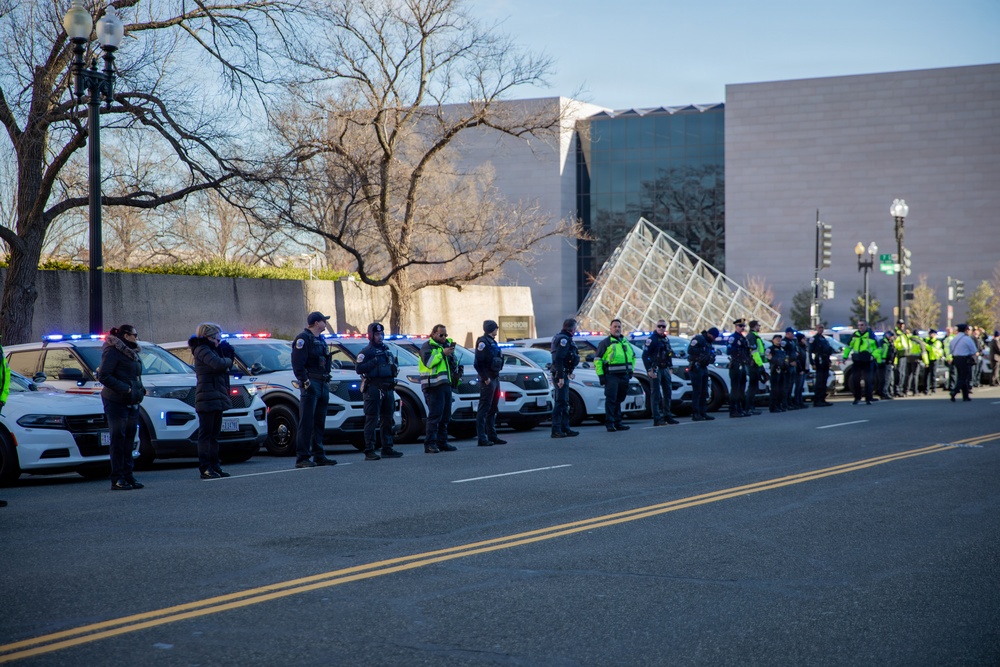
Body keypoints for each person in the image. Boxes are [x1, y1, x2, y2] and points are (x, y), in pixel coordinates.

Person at [97, 325, 145, 490]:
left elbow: (134, 375)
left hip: (132, 401)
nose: (137, 338)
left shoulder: (132, 353)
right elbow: (103, 375)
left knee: (129, 439)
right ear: (126, 335)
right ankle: (117, 478)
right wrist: (126, 388)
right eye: (135, 335)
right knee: (118, 439)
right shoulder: (113, 351)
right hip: (116, 401)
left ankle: (128, 475)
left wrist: (139, 389)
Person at [189, 323, 237, 479]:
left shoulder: (211, 350)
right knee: (206, 435)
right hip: (207, 397)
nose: (219, 340)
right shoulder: (202, 349)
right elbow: (217, 364)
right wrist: (228, 359)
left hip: (216, 396)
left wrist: (225, 356)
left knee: (215, 435)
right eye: (217, 337)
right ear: (209, 336)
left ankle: (215, 465)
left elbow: (221, 366)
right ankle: (205, 467)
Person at [291, 312, 338, 468]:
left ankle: (319, 455)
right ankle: (303, 457)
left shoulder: (320, 339)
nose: (326, 324)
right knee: (307, 422)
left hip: (323, 382)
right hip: (311, 383)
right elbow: (298, 364)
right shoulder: (303, 339)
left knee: (319, 422)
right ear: (317, 323)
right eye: (324, 321)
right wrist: (305, 382)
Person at [355, 322, 404, 460]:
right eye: (377, 334)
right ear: (371, 335)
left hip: (387, 388)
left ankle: (387, 447)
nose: (380, 336)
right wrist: (373, 362)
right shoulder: (366, 352)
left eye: (381, 334)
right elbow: (359, 368)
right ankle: (369, 450)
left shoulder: (386, 350)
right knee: (371, 419)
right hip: (373, 389)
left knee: (387, 419)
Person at [418, 324, 459, 453]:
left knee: (445, 416)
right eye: (441, 335)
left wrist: (454, 362)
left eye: (445, 335)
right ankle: (430, 444)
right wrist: (443, 353)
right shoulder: (427, 346)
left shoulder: (446, 346)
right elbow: (429, 363)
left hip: (446, 385)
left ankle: (442, 442)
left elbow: (451, 364)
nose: (443, 337)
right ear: (434, 334)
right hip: (433, 386)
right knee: (435, 416)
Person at [595, 319, 636, 431]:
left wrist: (630, 371)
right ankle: (610, 423)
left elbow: (633, 357)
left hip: (624, 376)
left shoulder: (625, 342)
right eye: (615, 326)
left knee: (619, 400)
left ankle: (618, 422)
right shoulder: (605, 343)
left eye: (619, 326)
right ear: (610, 328)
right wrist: (601, 376)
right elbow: (598, 360)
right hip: (611, 376)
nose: (617, 328)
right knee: (611, 400)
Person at [473, 319, 507, 446]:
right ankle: (482, 438)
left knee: (493, 408)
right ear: (491, 328)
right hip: (488, 379)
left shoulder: (492, 342)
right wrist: (485, 378)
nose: (497, 330)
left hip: (495, 377)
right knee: (484, 408)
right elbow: (478, 363)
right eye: (495, 328)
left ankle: (492, 436)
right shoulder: (483, 342)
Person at [642, 319, 680, 426]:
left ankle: (667, 416)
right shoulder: (652, 339)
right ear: (656, 327)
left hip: (665, 369)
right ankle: (657, 418)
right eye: (659, 326)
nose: (661, 328)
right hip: (656, 369)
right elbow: (645, 355)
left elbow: (669, 353)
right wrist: (649, 370)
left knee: (667, 392)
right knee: (656, 394)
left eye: (663, 326)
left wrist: (670, 367)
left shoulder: (665, 339)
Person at [550, 318, 581, 438]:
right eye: (575, 328)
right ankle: (556, 429)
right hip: (560, 374)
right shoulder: (563, 339)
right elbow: (559, 358)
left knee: (564, 402)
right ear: (572, 329)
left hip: (563, 373)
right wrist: (561, 376)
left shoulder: (563, 337)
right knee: (560, 402)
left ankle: (565, 428)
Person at [687, 327, 719, 421]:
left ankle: (703, 412)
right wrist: (702, 353)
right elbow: (690, 350)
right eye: (713, 336)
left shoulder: (709, 342)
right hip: (696, 367)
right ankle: (696, 413)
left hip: (703, 367)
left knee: (704, 391)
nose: (714, 339)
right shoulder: (699, 339)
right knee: (697, 391)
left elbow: (710, 354)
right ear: (709, 334)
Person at [844, 320, 878, 405]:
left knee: (868, 380)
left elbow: (877, 348)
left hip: (867, 360)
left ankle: (868, 398)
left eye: (862, 325)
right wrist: (845, 356)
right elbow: (848, 346)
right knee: (855, 379)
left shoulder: (870, 335)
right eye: (859, 325)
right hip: (857, 360)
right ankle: (857, 397)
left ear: (866, 326)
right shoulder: (855, 335)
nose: (860, 327)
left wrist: (873, 356)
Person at [725, 319, 752, 418]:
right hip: (736, 364)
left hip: (743, 364)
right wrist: (737, 350)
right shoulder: (733, 338)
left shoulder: (743, 338)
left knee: (741, 387)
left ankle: (740, 408)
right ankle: (733, 410)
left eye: (743, 326)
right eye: (740, 326)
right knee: (735, 388)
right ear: (736, 326)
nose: (742, 328)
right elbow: (729, 350)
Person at [949, 323, 978, 402]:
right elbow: (974, 350)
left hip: (956, 359)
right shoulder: (967, 339)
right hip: (964, 359)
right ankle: (954, 391)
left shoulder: (954, 339)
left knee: (961, 376)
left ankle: (965, 396)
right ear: (965, 330)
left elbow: (950, 350)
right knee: (964, 377)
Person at [809, 324, 834, 406]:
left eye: (822, 328)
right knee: (819, 382)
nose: (821, 329)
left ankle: (823, 399)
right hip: (818, 362)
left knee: (824, 381)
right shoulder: (814, 339)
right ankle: (817, 400)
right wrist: (813, 363)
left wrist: (829, 361)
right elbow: (811, 352)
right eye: (819, 328)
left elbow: (828, 350)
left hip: (825, 361)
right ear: (816, 329)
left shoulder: (823, 338)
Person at [745, 320, 766, 415]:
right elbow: (754, 352)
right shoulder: (752, 337)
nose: (759, 327)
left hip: (755, 364)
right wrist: (760, 364)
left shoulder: (754, 336)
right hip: (754, 365)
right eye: (758, 325)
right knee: (752, 387)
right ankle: (749, 407)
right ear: (754, 326)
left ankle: (751, 407)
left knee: (754, 387)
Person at [767, 335, 788, 413]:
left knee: (781, 389)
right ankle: (773, 407)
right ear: (773, 340)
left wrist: (786, 365)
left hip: (782, 370)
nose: (779, 340)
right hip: (775, 370)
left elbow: (785, 358)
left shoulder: (782, 349)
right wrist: (776, 362)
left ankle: (779, 405)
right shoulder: (770, 349)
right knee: (774, 390)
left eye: (780, 339)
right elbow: (769, 358)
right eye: (777, 339)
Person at [893, 320, 911, 397]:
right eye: (900, 324)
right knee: (899, 373)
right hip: (898, 355)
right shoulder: (895, 333)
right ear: (897, 325)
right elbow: (895, 344)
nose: (902, 325)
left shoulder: (903, 333)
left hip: (904, 355)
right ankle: (897, 390)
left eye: (903, 324)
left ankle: (900, 389)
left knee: (903, 373)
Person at [876, 330, 897, 400]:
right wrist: (881, 360)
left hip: (888, 362)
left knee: (885, 379)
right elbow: (878, 352)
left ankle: (883, 392)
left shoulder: (889, 342)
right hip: (884, 362)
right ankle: (884, 393)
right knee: (885, 379)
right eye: (891, 335)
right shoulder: (883, 342)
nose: (892, 337)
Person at [792, 332, 809, 408]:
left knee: (801, 386)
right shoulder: (798, 347)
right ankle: (797, 402)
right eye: (803, 339)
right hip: (800, 370)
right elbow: (798, 359)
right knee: (798, 386)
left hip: (804, 369)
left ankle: (800, 401)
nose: (805, 340)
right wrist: (800, 369)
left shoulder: (804, 347)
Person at [923, 330, 943, 394]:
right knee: (926, 375)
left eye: (932, 334)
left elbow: (932, 349)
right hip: (927, 360)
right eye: (930, 334)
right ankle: (926, 389)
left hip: (934, 359)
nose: (930, 335)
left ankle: (934, 389)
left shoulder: (937, 342)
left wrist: (925, 345)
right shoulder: (927, 340)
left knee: (933, 375)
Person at [942, 326, 957, 393]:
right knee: (949, 373)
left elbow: (953, 349)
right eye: (947, 331)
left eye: (949, 331)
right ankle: (949, 385)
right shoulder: (945, 338)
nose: (948, 332)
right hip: (947, 359)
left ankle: (953, 387)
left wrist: (951, 358)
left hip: (952, 358)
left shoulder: (953, 338)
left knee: (953, 373)